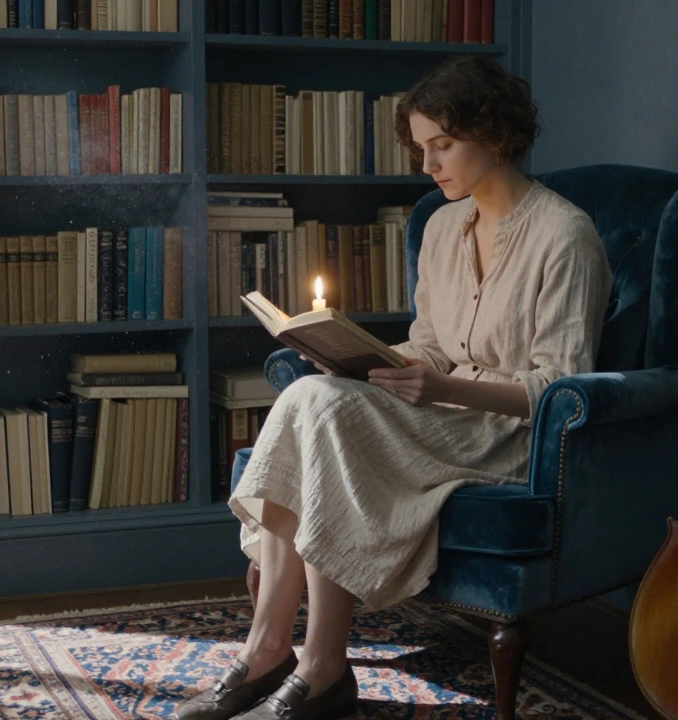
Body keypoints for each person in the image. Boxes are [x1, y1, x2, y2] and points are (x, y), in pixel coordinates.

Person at [170, 55, 613, 720]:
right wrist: (356, 358)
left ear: (494, 135)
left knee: (321, 411)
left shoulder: (565, 235)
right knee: (311, 396)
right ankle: (272, 651)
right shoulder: (441, 224)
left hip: (510, 435)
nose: (428, 166)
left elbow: (558, 386)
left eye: (442, 146)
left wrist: (438, 388)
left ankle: (315, 665)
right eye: (421, 148)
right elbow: (431, 343)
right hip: (440, 410)